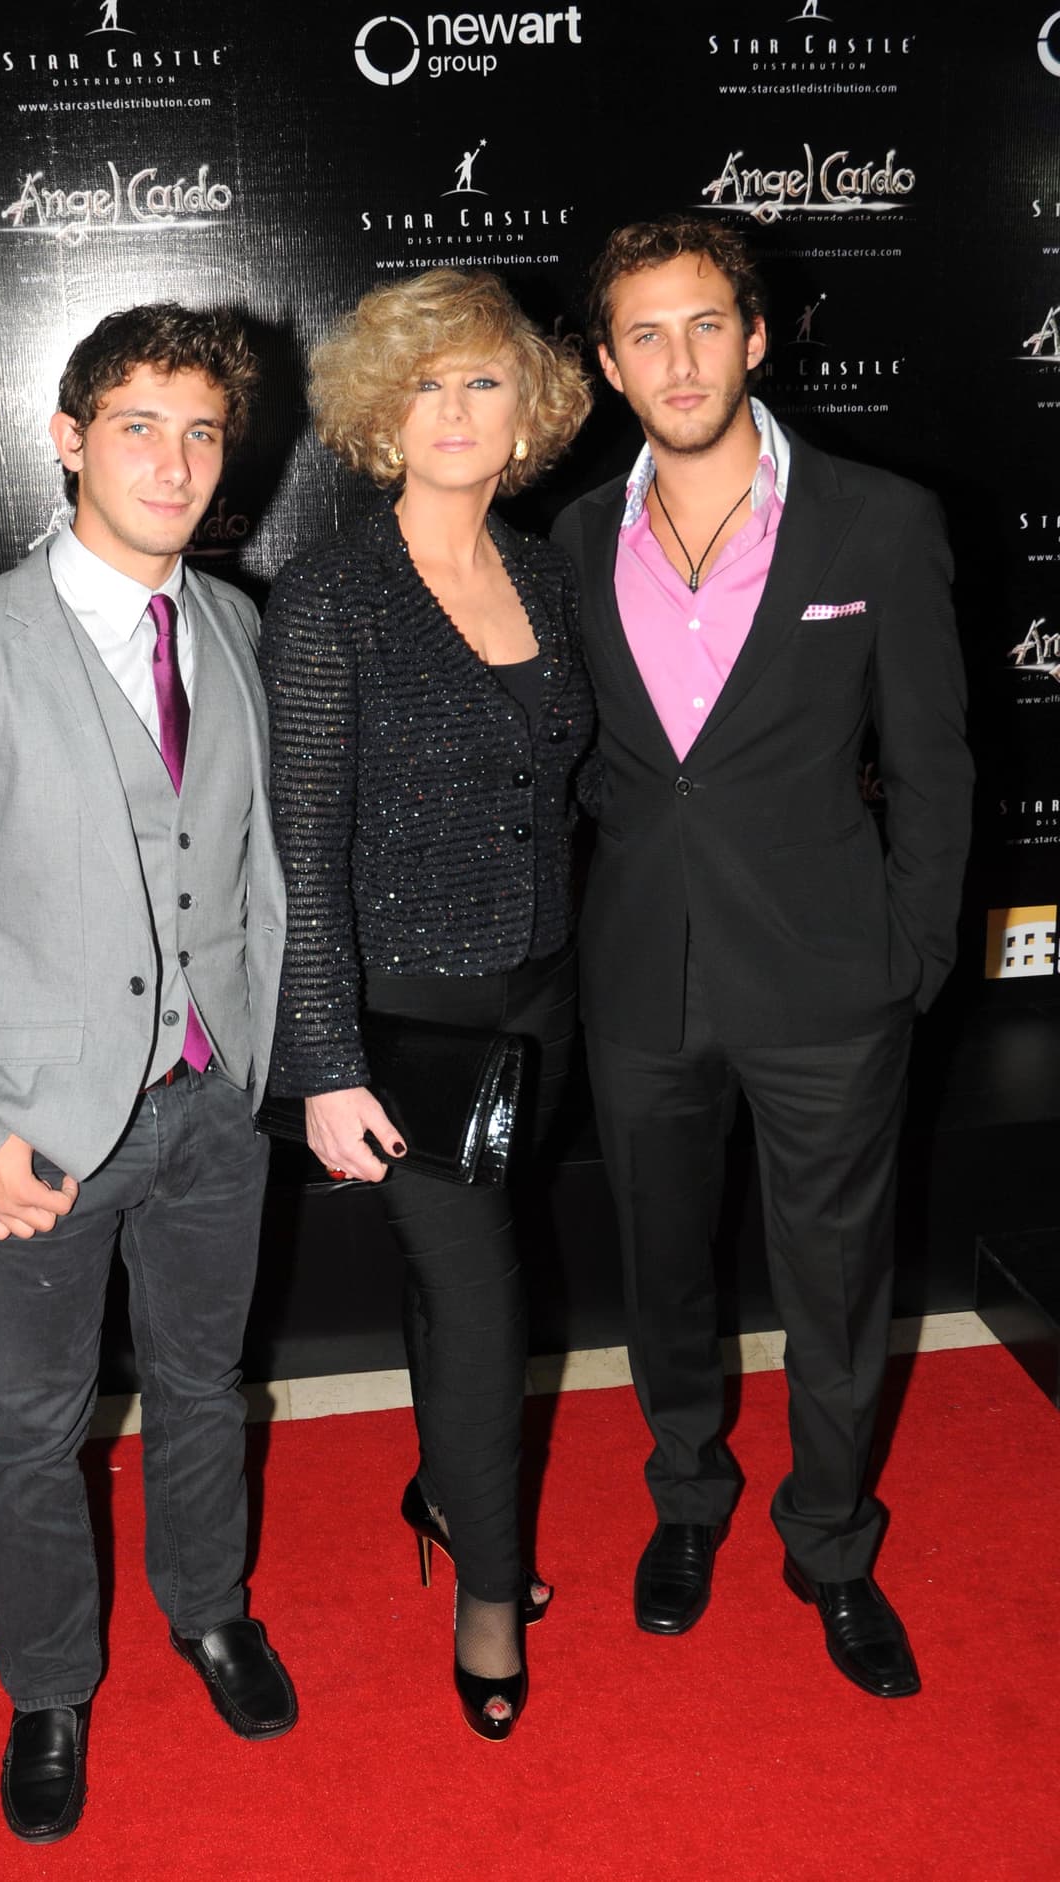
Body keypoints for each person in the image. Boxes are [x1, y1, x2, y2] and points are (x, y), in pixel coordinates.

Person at [0, 303, 294, 1842]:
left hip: (213, 1104)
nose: (175, 461)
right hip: (33, 1131)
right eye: (139, 426)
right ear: (69, 438)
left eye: (202, 431)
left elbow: (253, 870)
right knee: (34, 1427)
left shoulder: (235, 627)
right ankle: (48, 1689)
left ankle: (208, 1608)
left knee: (205, 1383)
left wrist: (261, 1060)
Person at [553, 216, 973, 1699]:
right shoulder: (572, 539)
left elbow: (933, 765)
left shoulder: (879, 520)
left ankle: (833, 1543)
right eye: (645, 335)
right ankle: (687, 1498)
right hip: (640, 980)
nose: (679, 360)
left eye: (704, 325)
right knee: (662, 1274)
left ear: (757, 336)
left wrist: (912, 958)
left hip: (830, 984)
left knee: (839, 1287)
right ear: (609, 365)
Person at [260, 269, 593, 1739]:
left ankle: (443, 1489)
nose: (455, 409)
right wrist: (327, 1063)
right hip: (404, 1017)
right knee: (480, 1294)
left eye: (484, 380)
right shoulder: (332, 595)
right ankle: (488, 1582)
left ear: (531, 409)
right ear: (382, 417)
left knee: (462, 1274)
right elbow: (303, 847)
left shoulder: (547, 573)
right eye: (425, 384)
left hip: (544, 998)